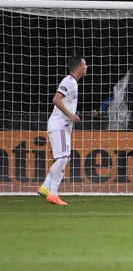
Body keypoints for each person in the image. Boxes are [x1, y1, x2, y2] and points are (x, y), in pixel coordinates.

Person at [37, 55, 88, 205]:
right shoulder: (69, 81)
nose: (86, 67)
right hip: (58, 124)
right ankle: (52, 192)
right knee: (62, 158)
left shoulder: (73, 83)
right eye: (85, 65)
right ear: (78, 67)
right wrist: (70, 115)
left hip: (63, 126)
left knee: (65, 158)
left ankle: (46, 187)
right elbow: (56, 99)